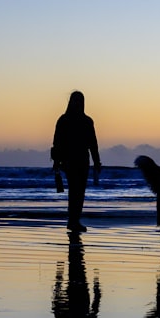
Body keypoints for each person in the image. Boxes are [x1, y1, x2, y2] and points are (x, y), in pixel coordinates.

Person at [51, 91, 101, 232]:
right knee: (75, 191)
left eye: (80, 101)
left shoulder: (86, 121)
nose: (77, 103)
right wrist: (56, 162)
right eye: (75, 101)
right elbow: (57, 142)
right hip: (69, 162)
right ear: (71, 102)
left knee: (79, 192)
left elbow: (93, 143)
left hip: (83, 161)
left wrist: (97, 162)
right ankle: (73, 221)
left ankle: (74, 220)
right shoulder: (64, 120)